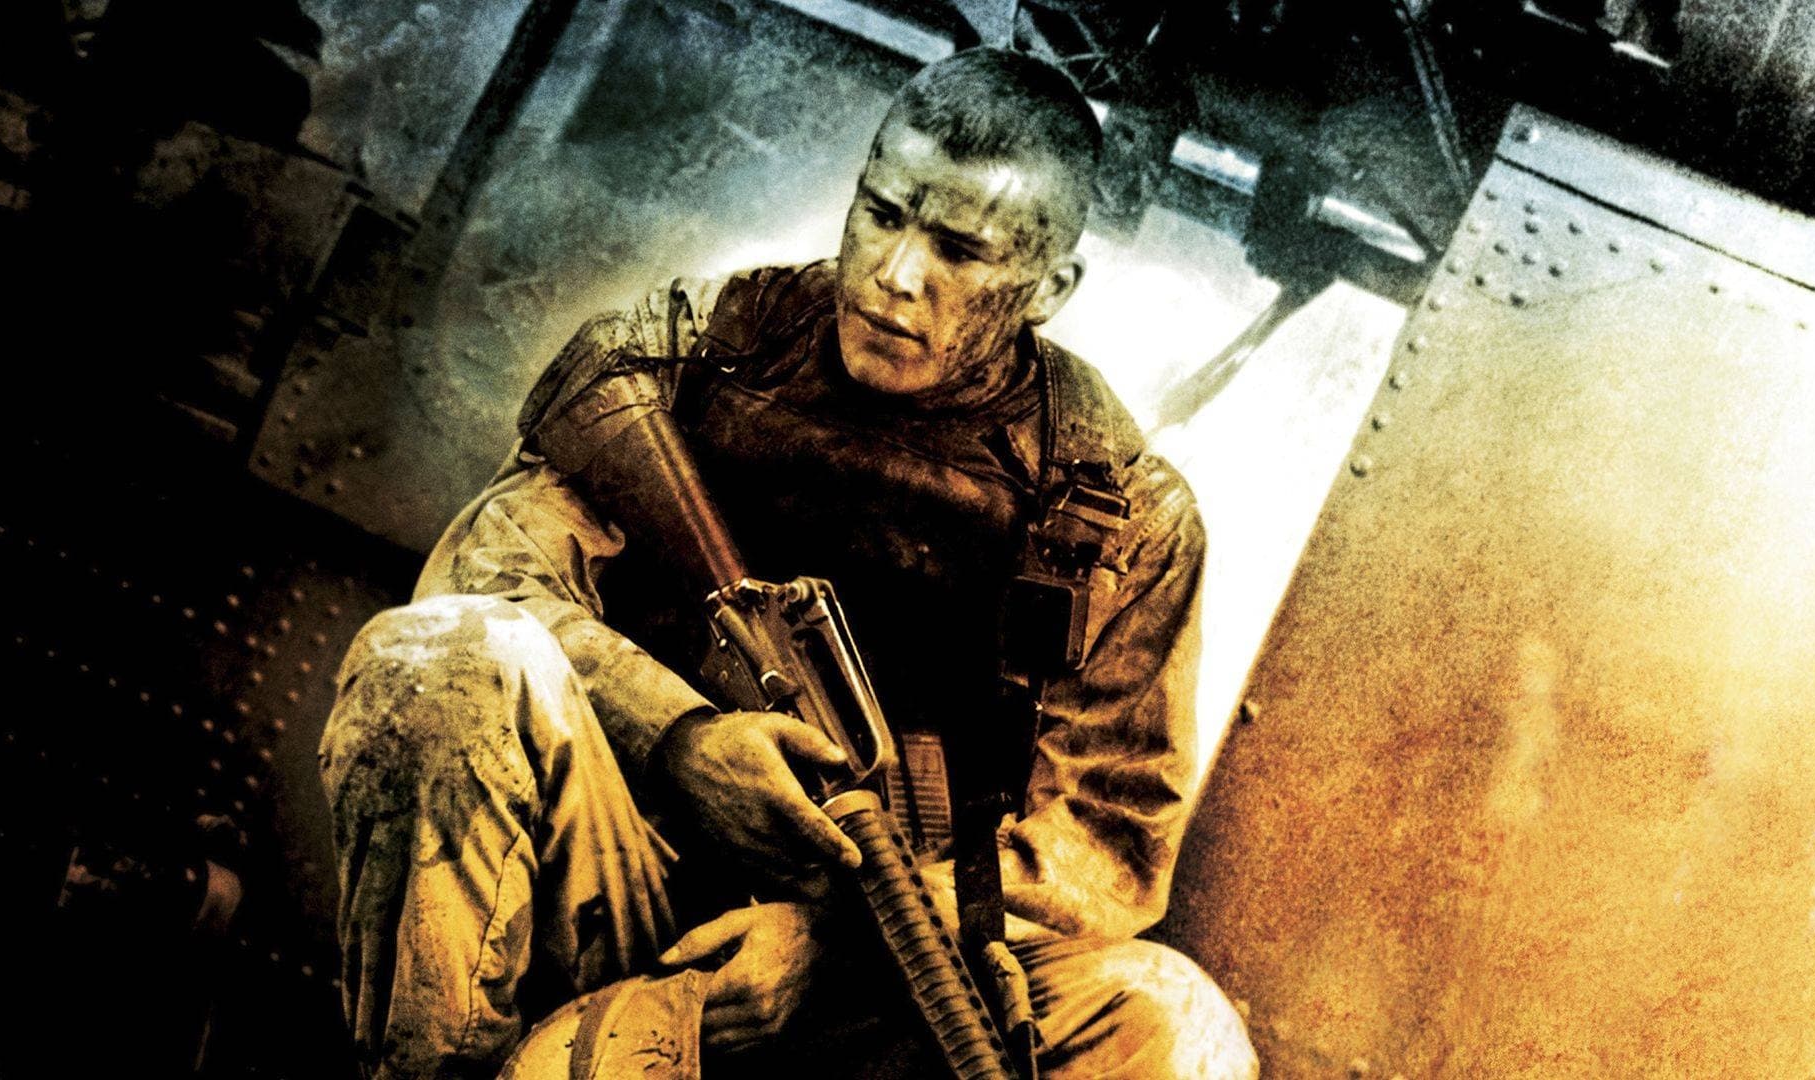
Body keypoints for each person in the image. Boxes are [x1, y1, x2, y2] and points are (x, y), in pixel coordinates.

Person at [319, 46, 1258, 1080]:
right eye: (882, 213)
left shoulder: (1116, 513)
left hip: (892, 973)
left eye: (959, 251)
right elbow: (494, 577)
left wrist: (836, 943)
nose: (896, 274)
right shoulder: (697, 352)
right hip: (622, 872)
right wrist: (680, 740)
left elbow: (1100, 844)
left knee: (1177, 1027)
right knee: (439, 659)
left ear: (1050, 287)